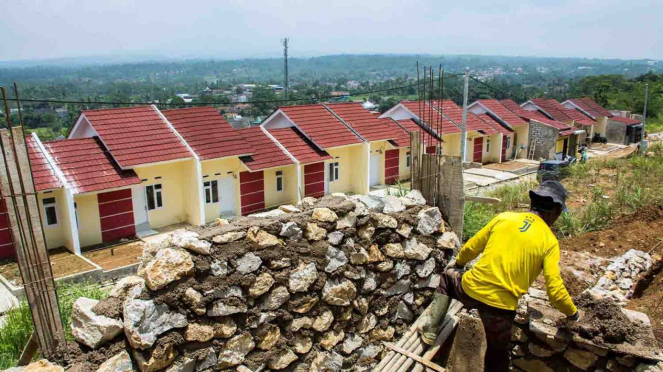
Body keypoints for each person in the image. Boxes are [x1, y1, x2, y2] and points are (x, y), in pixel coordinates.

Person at [418, 180, 580, 372]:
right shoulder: (550, 242)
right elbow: (554, 291)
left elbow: (471, 247)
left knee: (447, 278)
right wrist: (573, 313)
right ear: (555, 211)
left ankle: (430, 331)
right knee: (497, 355)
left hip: (470, 289)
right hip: (500, 308)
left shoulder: (504, 218)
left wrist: (459, 264)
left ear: (533, 203)